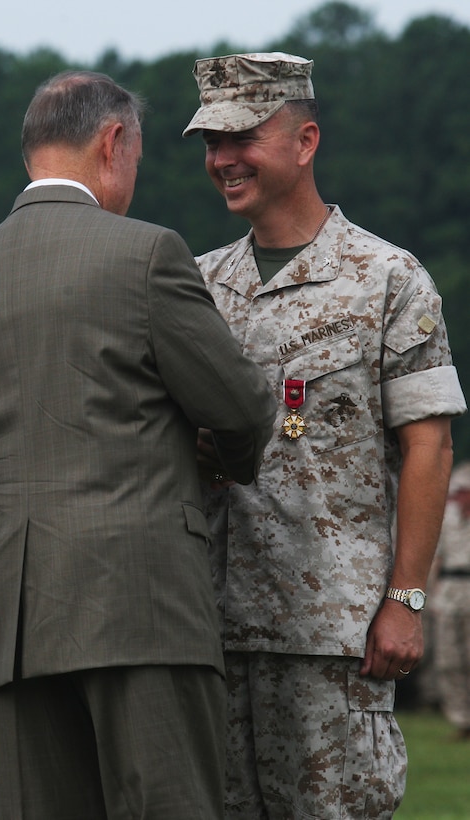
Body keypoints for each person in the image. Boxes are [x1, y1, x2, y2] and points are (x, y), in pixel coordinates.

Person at [0, 70, 277, 820]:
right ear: (113, 142)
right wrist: (216, 466)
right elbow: (243, 408)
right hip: (140, 604)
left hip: (16, 625)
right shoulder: (145, 254)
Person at [183, 52, 467, 818]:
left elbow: (428, 446)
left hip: (333, 639)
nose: (221, 159)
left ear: (304, 141)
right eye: (209, 142)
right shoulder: (197, 285)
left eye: (241, 137)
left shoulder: (386, 279)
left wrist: (404, 600)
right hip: (213, 629)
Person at [431, 461, 470, 740]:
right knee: (449, 659)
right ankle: (462, 721)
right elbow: (438, 552)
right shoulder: (448, 516)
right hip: (449, 587)